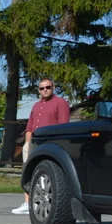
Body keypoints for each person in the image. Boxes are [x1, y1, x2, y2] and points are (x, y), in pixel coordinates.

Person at [13, 78, 70, 214]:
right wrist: (27, 144)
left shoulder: (60, 103)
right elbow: (30, 127)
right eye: (42, 88)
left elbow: (63, 126)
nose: (45, 90)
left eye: (47, 87)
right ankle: (27, 203)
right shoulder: (36, 105)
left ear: (53, 87)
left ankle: (46, 204)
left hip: (50, 144)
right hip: (33, 143)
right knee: (28, 171)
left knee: (46, 174)